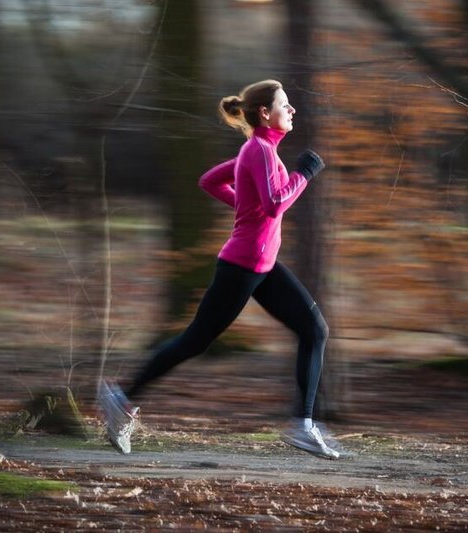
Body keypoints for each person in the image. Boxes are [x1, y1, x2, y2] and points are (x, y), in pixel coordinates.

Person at [99, 79, 340, 459]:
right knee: (196, 340)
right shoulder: (260, 150)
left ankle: (304, 425)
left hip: (261, 264)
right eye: (285, 104)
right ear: (265, 113)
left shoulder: (260, 150)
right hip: (243, 266)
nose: (292, 110)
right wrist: (304, 176)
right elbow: (276, 203)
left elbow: (210, 181)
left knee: (314, 329)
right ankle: (122, 398)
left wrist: (247, 210)